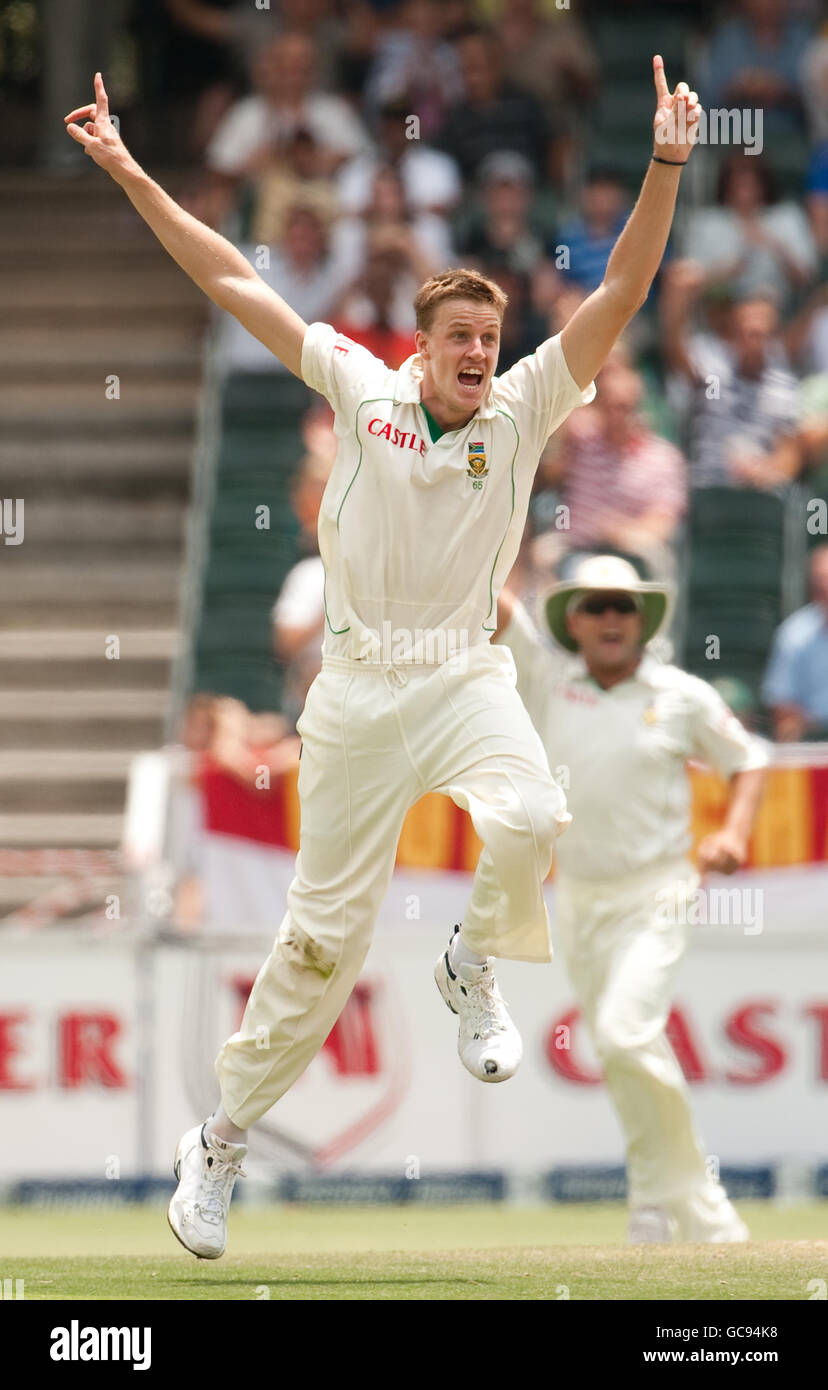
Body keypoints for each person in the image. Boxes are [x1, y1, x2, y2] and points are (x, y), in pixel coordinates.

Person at [66, 59, 701, 1259]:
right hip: (355, 693)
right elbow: (228, 274)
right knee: (319, 945)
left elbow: (619, 290)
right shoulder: (361, 389)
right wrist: (132, 169)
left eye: (490, 336)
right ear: (418, 346)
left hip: (465, 671)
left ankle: (472, 963)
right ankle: (223, 1142)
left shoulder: (522, 409)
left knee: (531, 814)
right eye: (460, 335)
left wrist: (666, 162)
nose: (478, 351)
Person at [495, 556, 768, 1243]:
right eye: (597, 607)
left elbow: (750, 760)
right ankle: (651, 1203)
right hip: (580, 897)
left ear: (642, 620)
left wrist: (732, 833)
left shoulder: (680, 693)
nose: (612, 619)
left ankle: (705, 1211)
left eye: (624, 607)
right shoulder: (547, 683)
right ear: (574, 622)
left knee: (623, 1033)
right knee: (622, 1054)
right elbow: (497, 608)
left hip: (658, 889)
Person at [762, 543, 828, 740]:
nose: (825, 589)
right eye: (820, 584)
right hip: (813, 739)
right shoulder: (793, 634)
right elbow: (781, 704)